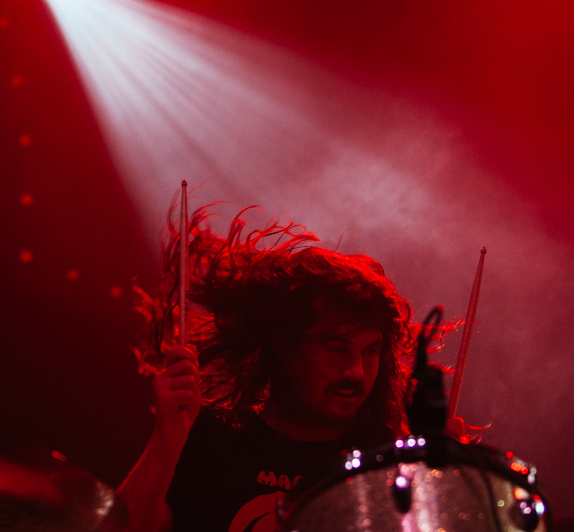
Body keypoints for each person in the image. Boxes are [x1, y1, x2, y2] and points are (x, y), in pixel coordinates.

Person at [117, 207, 421, 532]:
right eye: (336, 348)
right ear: (284, 345)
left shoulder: (386, 462)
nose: (356, 372)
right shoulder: (213, 441)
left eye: (370, 351)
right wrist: (166, 441)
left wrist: (444, 486)